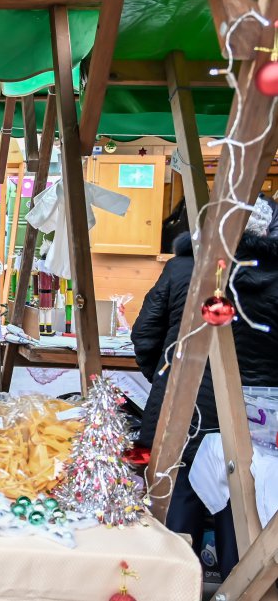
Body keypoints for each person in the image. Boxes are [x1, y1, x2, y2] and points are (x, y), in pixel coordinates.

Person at [132, 197, 278, 579]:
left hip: (183, 416)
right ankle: (236, 587)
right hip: (253, 422)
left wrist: (165, 380)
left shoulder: (184, 268)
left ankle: (174, 587)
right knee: (242, 513)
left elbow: (143, 336)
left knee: (174, 515)